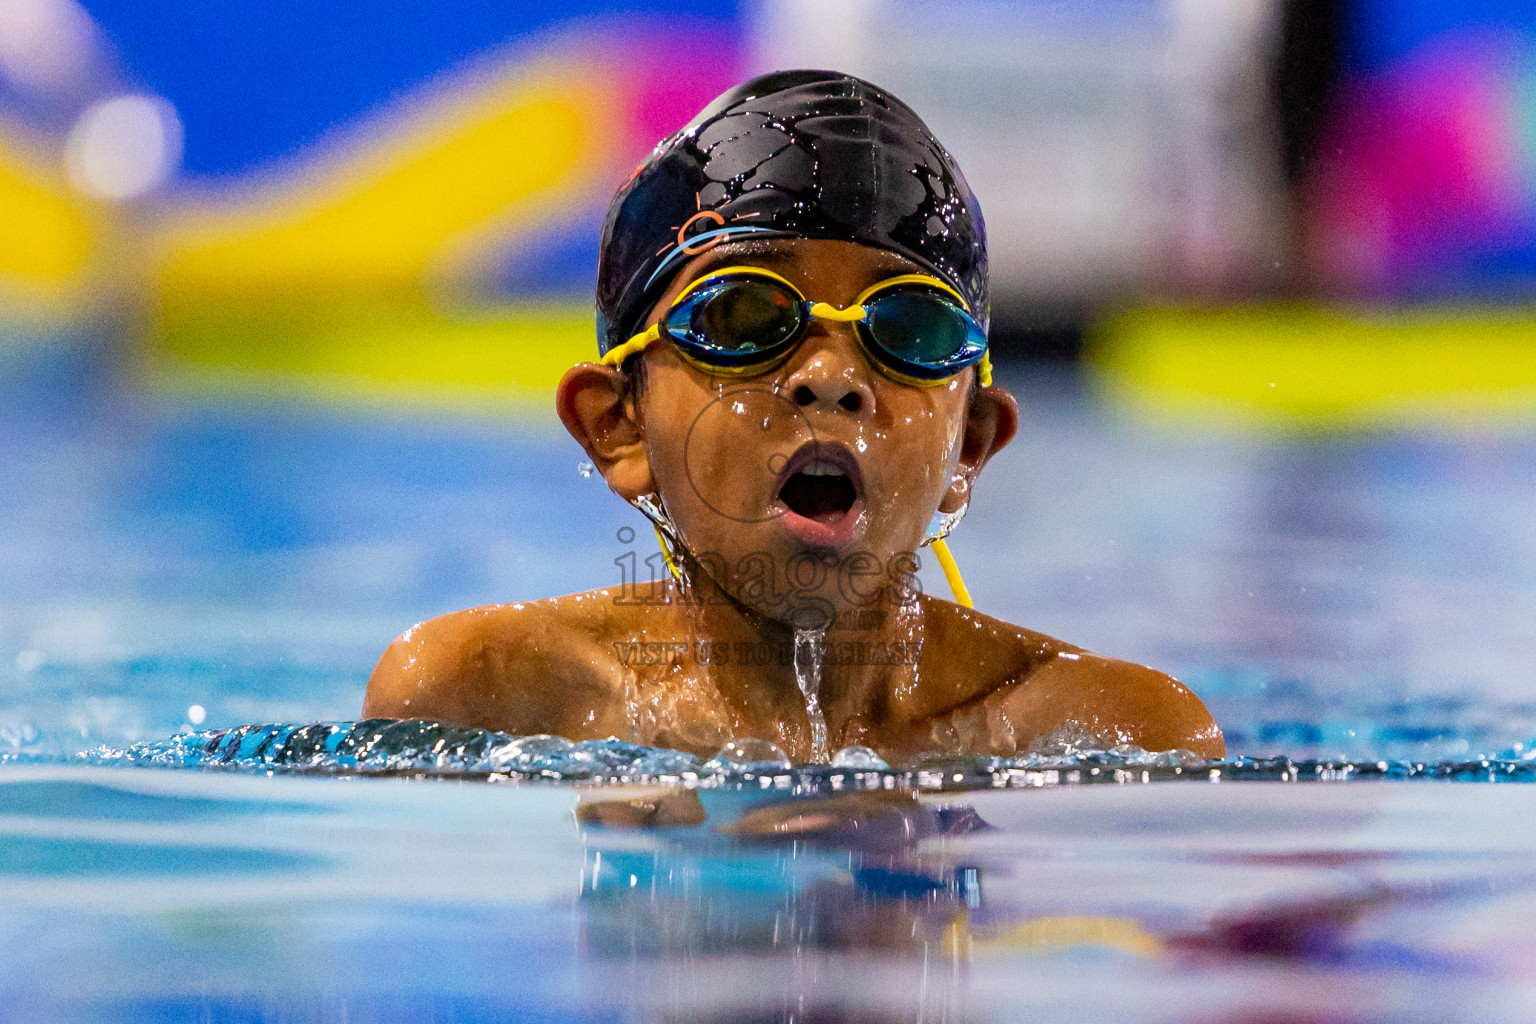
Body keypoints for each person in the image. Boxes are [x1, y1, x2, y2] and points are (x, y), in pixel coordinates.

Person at [363, 71, 1223, 763]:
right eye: (745, 318)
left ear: (970, 443)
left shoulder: (1125, 733)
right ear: (618, 427)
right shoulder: (481, 696)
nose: (830, 376)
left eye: (907, 328)